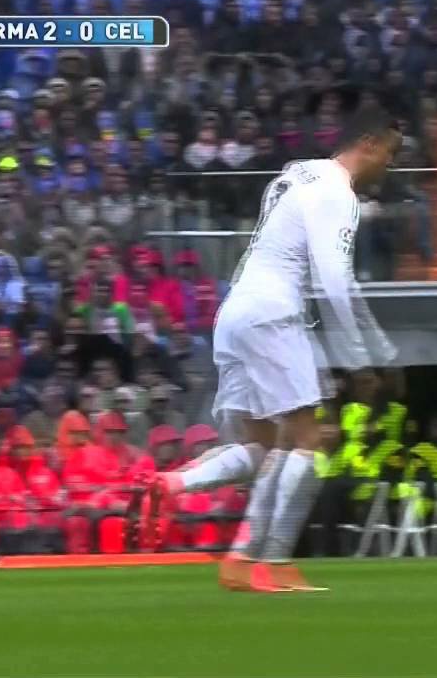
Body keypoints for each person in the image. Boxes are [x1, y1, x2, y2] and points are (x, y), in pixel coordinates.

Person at [146, 108, 401, 592]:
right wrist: (366, 358)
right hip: (272, 313)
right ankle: (272, 561)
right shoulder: (337, 192)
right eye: (391, 152)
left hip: (235, 314)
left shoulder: (295, 174)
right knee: (310, 439)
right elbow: (335, 281)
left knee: (263, 448)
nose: (391, 164)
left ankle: (174, 486)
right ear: (368, 143)